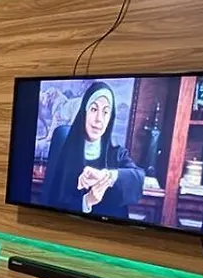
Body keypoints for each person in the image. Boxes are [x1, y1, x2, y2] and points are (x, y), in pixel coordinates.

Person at [39, 81, 144, 219]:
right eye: (94, 109)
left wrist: (106, 176)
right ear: (84, 112)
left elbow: (138, 178)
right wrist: (87, 201)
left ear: (110, 118)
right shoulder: (64, 150)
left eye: (105, 112)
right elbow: (51, 205)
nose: (99, 119)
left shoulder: (117, 154)